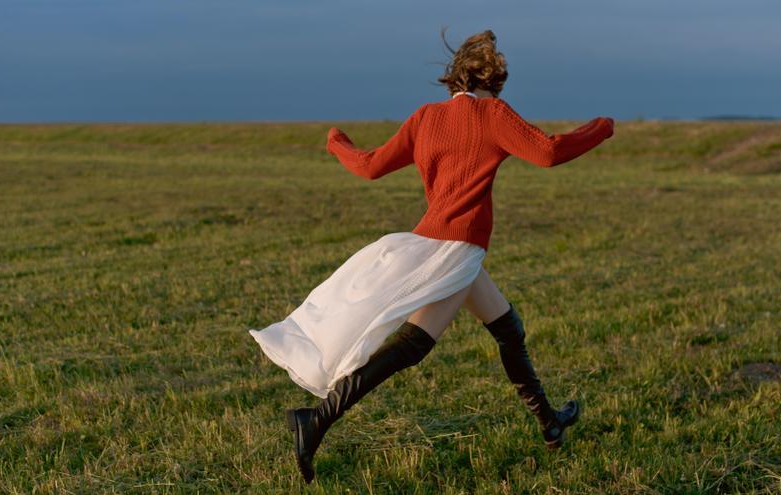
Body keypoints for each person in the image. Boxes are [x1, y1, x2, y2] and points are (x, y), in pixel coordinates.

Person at [248, 28, 614, 484]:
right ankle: (315, 421)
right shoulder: (492, 114)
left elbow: (369, 166)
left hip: (437, 244)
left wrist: (337, 142)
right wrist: (601, 128)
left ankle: (549, 421)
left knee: (508, 329)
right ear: (492, 81)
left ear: (453, 79)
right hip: (457, 249)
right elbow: (549, 152)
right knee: (413, 347)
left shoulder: (425, 118)